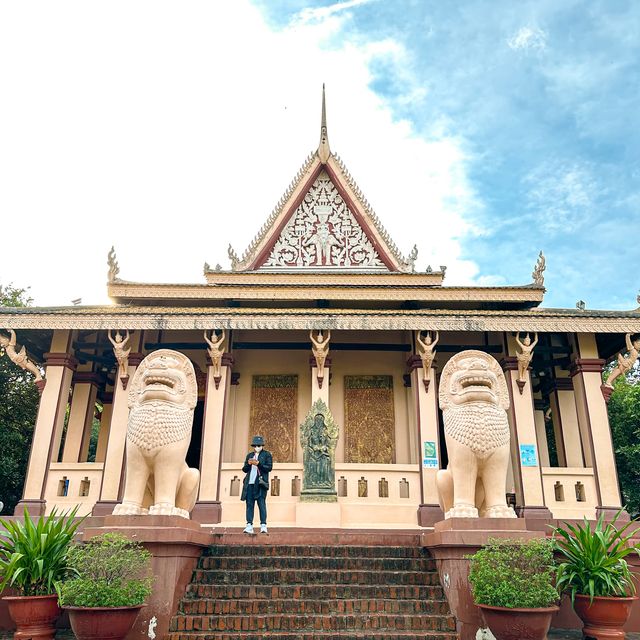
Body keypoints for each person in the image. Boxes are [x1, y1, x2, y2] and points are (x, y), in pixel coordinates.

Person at [241, 435, 273, 534]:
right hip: (249, 483)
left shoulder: (267, 455)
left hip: (260, 484)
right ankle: (249, 525)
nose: (257, 447)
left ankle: (263, 525)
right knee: (249, 505)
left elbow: (269, 468)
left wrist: (258, 464)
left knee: (261, 504)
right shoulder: (250, 455)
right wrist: (249, 464)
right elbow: (244, 469)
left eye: (258, 445)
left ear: (262, 445)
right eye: (255, 445)